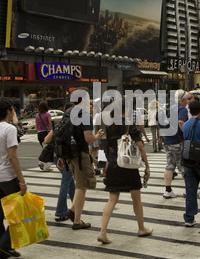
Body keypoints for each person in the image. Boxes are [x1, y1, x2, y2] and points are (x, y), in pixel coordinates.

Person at [97, 102, 152, 244]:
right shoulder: (129, 125)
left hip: (114, 165)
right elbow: (140, 147)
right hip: (129, 166)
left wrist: (107, 169)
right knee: (136, 198)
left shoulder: (109, 127)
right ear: (125, 109)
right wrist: (147, 166)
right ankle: (141, 228)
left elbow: (110, 149)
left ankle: (102, 232)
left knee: (112, 199)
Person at [0, 98, 27, 259]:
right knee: (21, 212)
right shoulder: (9, 129)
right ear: (9, 111)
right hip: (7, 178)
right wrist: (21, 180)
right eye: (13, 110)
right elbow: (12, 157)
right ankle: (5, 244)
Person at [58, 88, 104, 230]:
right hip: (80, 155)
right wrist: (98, 136)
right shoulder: (84, 114)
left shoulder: (67, 113)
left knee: (80, 184)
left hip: (69, 155)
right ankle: (77, 221)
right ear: (83, 99)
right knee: (82, 186)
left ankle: (72, 211)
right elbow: (88, 137)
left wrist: (60, 156)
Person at [44, 103, 76, 222]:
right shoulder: (69, 124)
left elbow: (46, 140)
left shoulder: (58, 124)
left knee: (70, 181)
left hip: (55, 156)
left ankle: (76, 207)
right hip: (64, 157)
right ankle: (61, 211)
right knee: (66, 182)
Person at [159, 89, 189, 198]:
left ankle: (168, 190)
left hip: (168, 140)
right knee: (183, 166)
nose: (187, 101)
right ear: (182, 99)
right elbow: (181, 122)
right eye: (186, 99)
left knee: (169, 165)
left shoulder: (170, 108)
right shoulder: (182, 109)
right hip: (178, 140)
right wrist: (186, 134)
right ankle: (188, 190)